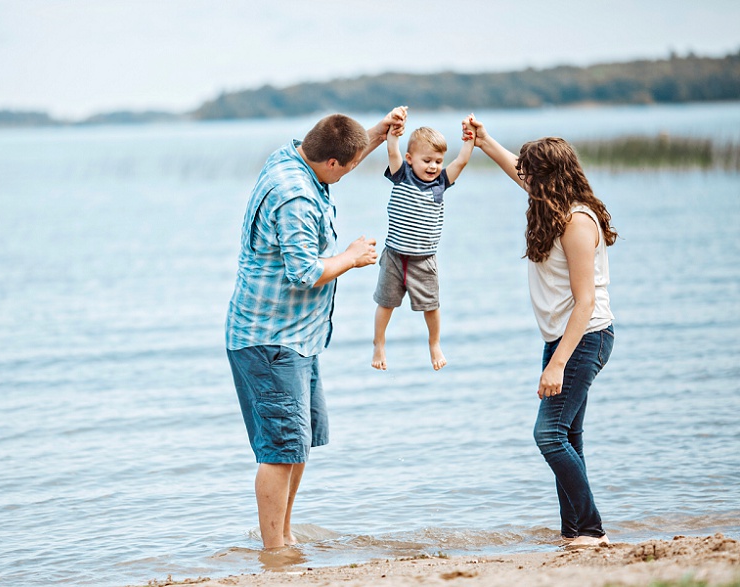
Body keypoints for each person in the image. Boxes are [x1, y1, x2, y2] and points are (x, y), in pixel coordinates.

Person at [226, 108, 408, 551]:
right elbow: (304, 271)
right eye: (346, 169)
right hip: (269, 340)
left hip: (298, 337)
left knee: (298, 444)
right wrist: (351, 256)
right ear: (330, 165)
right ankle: (274, 551)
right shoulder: (296, 197)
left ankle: (284, 536)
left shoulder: (291, 156)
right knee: (280, 448)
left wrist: (377, 133)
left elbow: (339, 153)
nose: (346, 173)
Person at [464, 114, 618, 547]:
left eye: (529, 171)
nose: (523, 176)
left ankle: (591, 529)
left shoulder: (577, 222)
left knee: (548, 434)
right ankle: (575, 533)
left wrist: (557, 364)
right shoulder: (551, 204)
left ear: (548, 176)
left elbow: (585, 302)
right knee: (567, 435)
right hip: (563, 336)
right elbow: (514, 165)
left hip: (585, 336)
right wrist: (485, 141)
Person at [372, 112, 475, 371]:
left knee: (432, 305)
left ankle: (434, 343)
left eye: (438, 161)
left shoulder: (441, 182)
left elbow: (461, 162)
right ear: (410, 160)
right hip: (395, 255)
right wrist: (394, 131)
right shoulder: (402, 174)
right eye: (427, 160)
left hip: (425, 259)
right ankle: (379, 343)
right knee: (386, 303)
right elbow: (393, 150)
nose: (433, 166)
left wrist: (469, 139)